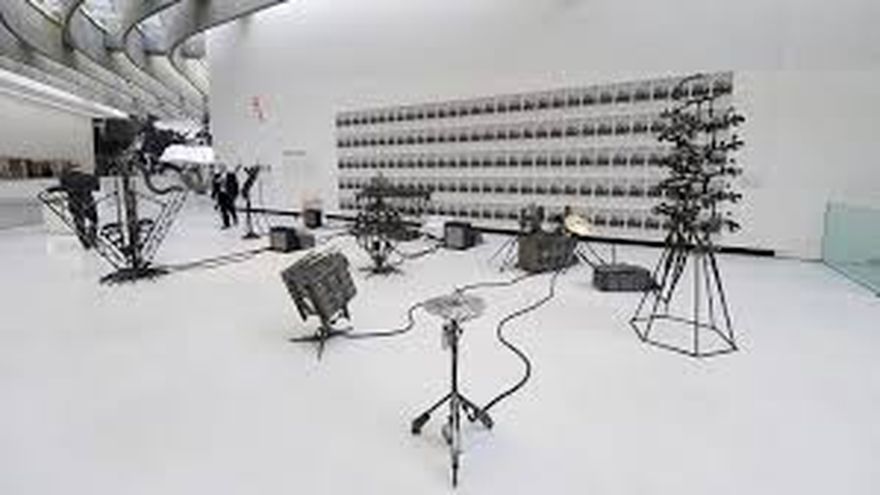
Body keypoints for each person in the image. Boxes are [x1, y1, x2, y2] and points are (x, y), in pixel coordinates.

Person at [47, 165, 99, 248]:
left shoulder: (66, 179)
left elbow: (63, 188)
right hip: (88, 202)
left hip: (75, 204)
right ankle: (92, 237)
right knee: (93, 220)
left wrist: (51, 190)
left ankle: (85, 242)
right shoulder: (87, 177)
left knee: (79, 224)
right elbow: (97, 187)